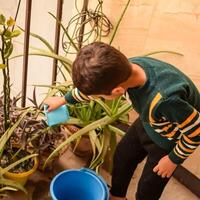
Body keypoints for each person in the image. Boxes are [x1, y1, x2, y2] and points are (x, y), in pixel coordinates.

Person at [44, 42, 200, 200]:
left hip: (168, 138)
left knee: (149, 186)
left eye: (99, 97)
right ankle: (117, 196)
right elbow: (92, 90)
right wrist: (63, 100)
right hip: (150, 122)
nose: (96, 99)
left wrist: (173, 159)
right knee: (122, 155)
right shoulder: (125, 69)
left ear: (117, 91)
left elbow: (196, 132)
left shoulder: (165, 100)